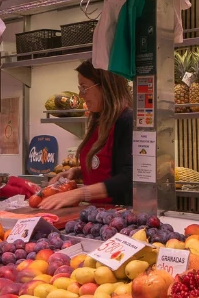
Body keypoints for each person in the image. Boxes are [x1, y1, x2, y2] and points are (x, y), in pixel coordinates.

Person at [39, 63, 133, 211]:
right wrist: (77, 172)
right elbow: (105, 165)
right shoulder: (98, 120)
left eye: (84, 87)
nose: (81, 95)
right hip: (96, 212)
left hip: (117, 215)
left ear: (104, 87)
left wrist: (80, 194)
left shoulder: (126, 120)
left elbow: (128, 178)